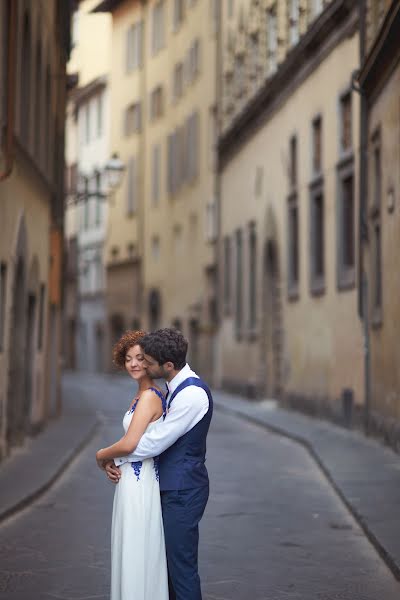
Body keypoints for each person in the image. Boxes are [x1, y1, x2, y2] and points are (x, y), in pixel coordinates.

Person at [104, 328, 213, 600]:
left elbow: (154, 443)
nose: (143, 366)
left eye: (148, 361)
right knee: (167, 569)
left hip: (182, 491)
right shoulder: (172, 389)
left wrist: (107, 455)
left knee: (182, 570)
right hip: (168, 486)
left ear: (167, 365)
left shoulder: (191, 395)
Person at [96, 330, 169, 600]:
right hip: (132, 481)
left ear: (150, 361)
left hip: (140, 484)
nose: (134, 364)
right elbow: (132, 445)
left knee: (136, 549)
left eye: (140, 358)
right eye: (128, 359)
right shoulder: (141, 394)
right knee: (131, 548)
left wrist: (101, 454)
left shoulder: (149, 396)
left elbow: (129, 443)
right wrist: (112, 461)